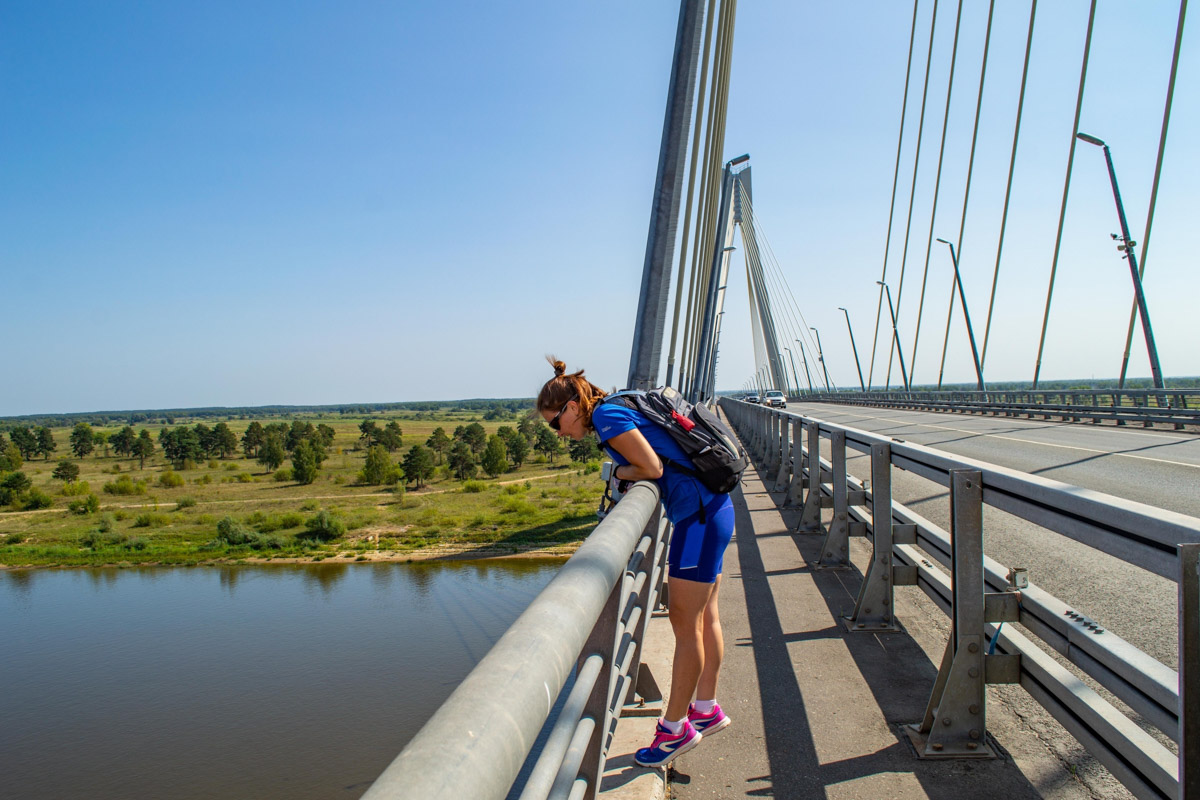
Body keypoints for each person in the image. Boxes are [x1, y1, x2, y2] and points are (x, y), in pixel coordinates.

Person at [537, 358, 735, 768]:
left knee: (686, 626)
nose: (559, 434)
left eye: (556, 424)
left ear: (573, 407)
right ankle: (706, 707)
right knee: (705, 616)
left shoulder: (608, 417)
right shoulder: (618, 403)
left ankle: (675, 731)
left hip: (697, 518)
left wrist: (619, 473)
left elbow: (652, 467)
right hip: (711, 510)